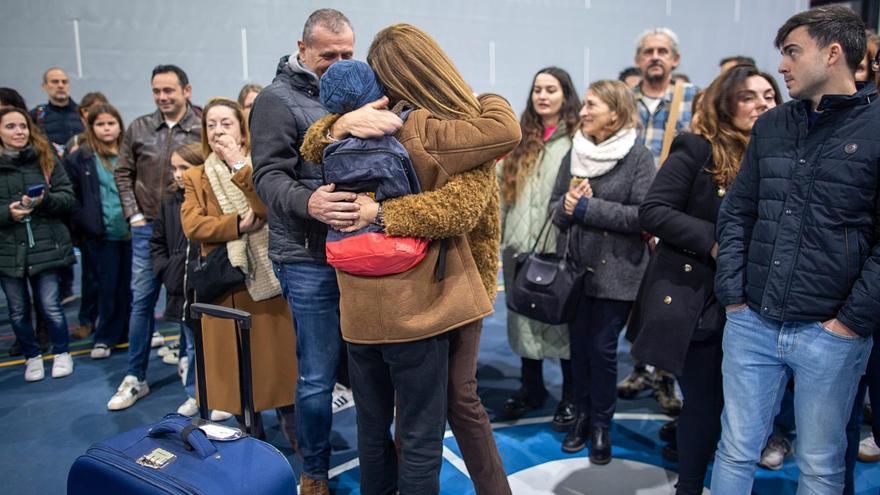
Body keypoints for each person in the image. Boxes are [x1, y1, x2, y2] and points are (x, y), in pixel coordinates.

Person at [302, 23, 521, 495]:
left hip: (374, 304)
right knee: (434, 420)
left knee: (395, 419)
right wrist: (489, 96)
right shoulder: (437, 131)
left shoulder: (352, 136)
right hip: (434, 297)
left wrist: (339, 127)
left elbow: (312, 144)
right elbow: (464, 198)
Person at [711, 6, 880, 494]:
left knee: (822, 465)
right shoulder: (772, 126)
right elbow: (738, 213)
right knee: (735, 449)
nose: (780, 66)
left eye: (791, 52)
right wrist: (735, 299)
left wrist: (849, 324)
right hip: (752, 323)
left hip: (831, 334)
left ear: (832, 54)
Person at [249, 9, 400, 492]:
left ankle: (382, 453)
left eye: (347, 54)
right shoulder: (276, 100)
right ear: (302, 48)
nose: (338, 63)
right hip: (307, 255)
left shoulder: (366, 90)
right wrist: (309, 201)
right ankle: (314, 470)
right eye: (327, 55)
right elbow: (267, 176)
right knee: (316, 373)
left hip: (365, 252)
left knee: (371, 364)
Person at [630, 65, 780, 494]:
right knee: (706, 400)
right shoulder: (699, 149)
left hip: (762, 299)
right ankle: (690, 486)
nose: (762, 104)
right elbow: (654, 211)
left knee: (747, 406)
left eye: (769, 96)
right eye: (749, 96)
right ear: (725, 102)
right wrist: (718, 242)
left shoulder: (786, 154)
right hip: (702, 296)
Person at [548, 80, 655, 464]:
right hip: (576, 272)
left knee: (603, 351)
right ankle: (580, 417)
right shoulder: (572, 153)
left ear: (615, 110)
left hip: (618, 273)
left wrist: (587, 209)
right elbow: (554, 209)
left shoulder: (638, 157)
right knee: (578, 350)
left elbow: (645, 216)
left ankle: (600, 426)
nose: (584, 111)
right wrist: (567, 205)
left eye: (592, 104)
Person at [180, 97, 297, 448]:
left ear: (242, 130)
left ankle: (293, 430)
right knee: (236, 371)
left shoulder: (257, 166)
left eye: (226, 123)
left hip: (265, 281)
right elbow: (192, 225)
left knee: (277, 366)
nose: (218, 130)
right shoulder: (195, 176)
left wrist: (237, 165)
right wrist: (235, 225)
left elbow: (265, 207)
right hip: (225, 284)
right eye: (211, 124)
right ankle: (249, 433)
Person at [108, 64, 201, 411]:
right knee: (142, 301)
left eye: (169, 91)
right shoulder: (139, 128)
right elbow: (123, 172)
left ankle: (195, 386)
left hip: (189, 226)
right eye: (156, 91)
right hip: (148, 227)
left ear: (186, 91)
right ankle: (135, 376)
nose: (162, 97)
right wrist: (133, 213)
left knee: (189, 303)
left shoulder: (200, 127)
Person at [620, 26, 698, 413]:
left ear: (675, 59)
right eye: (648, 51)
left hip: (673, 212)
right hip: (631, 208)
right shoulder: (624, 101)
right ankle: (638, 366)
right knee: (635, 295)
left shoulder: (691, 101)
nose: (655, 56)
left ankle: (666, 376)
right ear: (638, 60)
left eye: (662, 51)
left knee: (669, 295)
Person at [498, 67, 580, 429]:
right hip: (519, 244)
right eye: (537, 90)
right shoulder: (519, 139)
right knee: (523, 319)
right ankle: (531, 388)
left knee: (561, 321)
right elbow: (500, 192)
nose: (542, 96)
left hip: (557, 247)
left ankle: (570, 396)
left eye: (551, 89)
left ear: (566, 94)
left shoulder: (579, 141)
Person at [0, 107, 75, 381]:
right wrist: (7, 212)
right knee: (18, 309)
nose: (19, 132)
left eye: (23, 126)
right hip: (9, 249)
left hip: (45, 244)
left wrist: (44, 201)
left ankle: (62, 352)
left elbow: (67, 196)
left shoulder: (45, 159)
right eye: (11, 126)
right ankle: (31, 356)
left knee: (50, 305)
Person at [62, 103, 132, 359]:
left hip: (131, 231)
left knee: (133, 287)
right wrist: (87, 222)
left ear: (119, 125)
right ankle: (106, 335)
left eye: (111, 123)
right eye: (100, 124)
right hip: (102, 235)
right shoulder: (80, 158)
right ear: (91, 128)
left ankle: (129, 331)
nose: (106, 129)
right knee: (107, 287)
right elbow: (72, 197)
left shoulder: (129, 153)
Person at [64, 91, 109, 342]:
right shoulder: (77, 151)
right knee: (91, 279)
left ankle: (111, 322)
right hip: (90, 228)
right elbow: (72, 194)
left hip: (115, 226)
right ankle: (87, 320)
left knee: (116, 283)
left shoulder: (118, 151)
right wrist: (85, 220)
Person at [29, 67, 84, 156]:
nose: (61, 85)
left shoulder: (84, 113)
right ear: (44, 86)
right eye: (55, 82)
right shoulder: (36, 115)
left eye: (64, 82)